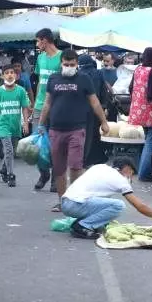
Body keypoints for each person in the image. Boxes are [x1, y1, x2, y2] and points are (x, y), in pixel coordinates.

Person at [39, 49, 109, 212]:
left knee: (76, 166)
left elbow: (94, 102)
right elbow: (47, 103)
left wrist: (104, 122)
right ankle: (63, 201)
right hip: (55, 129)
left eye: (72, 64)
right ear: (61, 63)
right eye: (66, 64)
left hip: (77, 129)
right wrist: (41, 124)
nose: (69, 67)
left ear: (77, 64)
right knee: (59, 168)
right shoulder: (53, 78)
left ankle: (76, 199)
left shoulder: (84, 79)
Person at [61, 157, 152, 239]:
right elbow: (139, 206)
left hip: (66, 202)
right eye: (131, 173)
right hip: (76, 205)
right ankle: (82, 226)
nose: (130, 177)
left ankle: (82, 224)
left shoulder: (99, 167)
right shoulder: (120, 180)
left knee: (109, 200)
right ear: (127, 168)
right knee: (118, 205)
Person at [32, 28, 62, 191]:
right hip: (39, 106)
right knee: (38, 145)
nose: (37, 45)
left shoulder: (62, 57)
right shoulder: (40, 58)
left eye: (38, 41)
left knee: (55, 145)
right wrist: (36, 102)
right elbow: (40, 83)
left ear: (45, 40)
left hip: (57, 107)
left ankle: (55, 180)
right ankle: (44, 173)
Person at [128, 47, 152, 182]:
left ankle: (145, 172)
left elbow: (131, 87)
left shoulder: (138, 69)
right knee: (150, 143)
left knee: (147, 140)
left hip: (138, 111)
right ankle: (144, 174)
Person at [0, 65, 30, 187]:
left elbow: (24, 108)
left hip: (15, 125)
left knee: (11, 151)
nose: (10, 75)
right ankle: (11, 175)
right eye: (7, 73)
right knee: (8, 149)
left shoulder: (20, 91)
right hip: (3, 125)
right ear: (3, 75)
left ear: (16, 75)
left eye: (12, 72)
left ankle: (3, 169)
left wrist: (25, 123)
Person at [78, 54, 108, 168]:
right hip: (97, 108)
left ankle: (83, 159)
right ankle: (95, 157)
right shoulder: (99, 73)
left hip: (82, 109)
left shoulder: (79, 74)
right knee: (95, 133)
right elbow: (104, 92)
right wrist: (104, 107)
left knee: (83, 134)